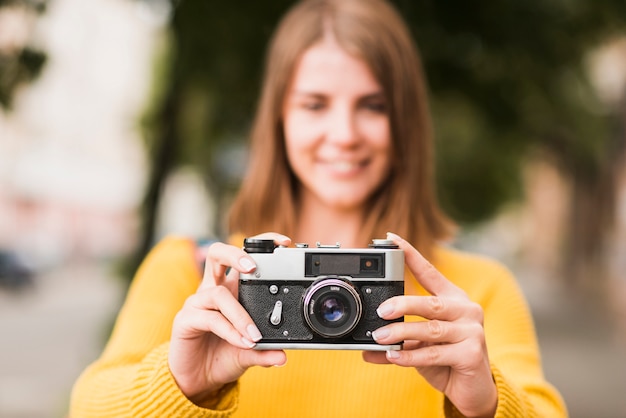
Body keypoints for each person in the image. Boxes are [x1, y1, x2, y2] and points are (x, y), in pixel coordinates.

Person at [70, 0, 567, 416]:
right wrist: (185, 383)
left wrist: (486, 403)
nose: (345, 134)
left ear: (406, 124)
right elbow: (88, 406)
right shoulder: (200, 273)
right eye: (314, 104)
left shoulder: (474, 293)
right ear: (279, 120)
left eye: (373, 106)